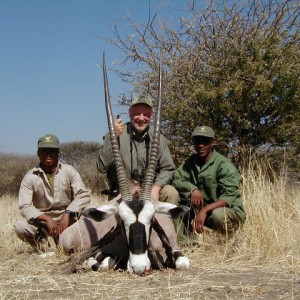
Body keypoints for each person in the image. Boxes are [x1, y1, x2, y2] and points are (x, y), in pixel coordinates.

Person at [14, 134, 91, 253]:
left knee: (92, 211)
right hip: (43, 223)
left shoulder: (69, 171)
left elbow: (84, 195)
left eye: (52, 151)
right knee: (20, 226)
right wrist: (46, 219)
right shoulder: (30, 177)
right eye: (44, 151)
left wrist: (67, 214)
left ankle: (81, 244)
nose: (48, 154)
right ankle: (44, 248)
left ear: (58, 153)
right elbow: (24, 206)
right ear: (38, 153)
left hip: (69, 219)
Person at [97, 95, 179, 204]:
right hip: (124, 192)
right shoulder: (116, 133)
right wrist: (112, 137)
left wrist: (156, 187)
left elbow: (168, 168)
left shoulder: (159, 139)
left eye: (146, 114)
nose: (141, 118)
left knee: (171, 193)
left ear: (151, 115)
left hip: (150, 191)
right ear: (129, 112)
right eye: (137, 113)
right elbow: (101, 167)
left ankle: (168, 221)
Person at [172, 125, 246, 244]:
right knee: (180, 207)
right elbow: (176, 179)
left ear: (212, 143)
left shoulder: (224, 165)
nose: (201, 145)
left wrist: (205, 210)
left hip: (227, 211)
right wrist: (192, 189)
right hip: (203, 212)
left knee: (218, 215)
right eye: (197, 141)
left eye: (205, 141)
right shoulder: (191, 161)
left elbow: (228, 197)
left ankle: (231, 239)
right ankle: (186, 242)